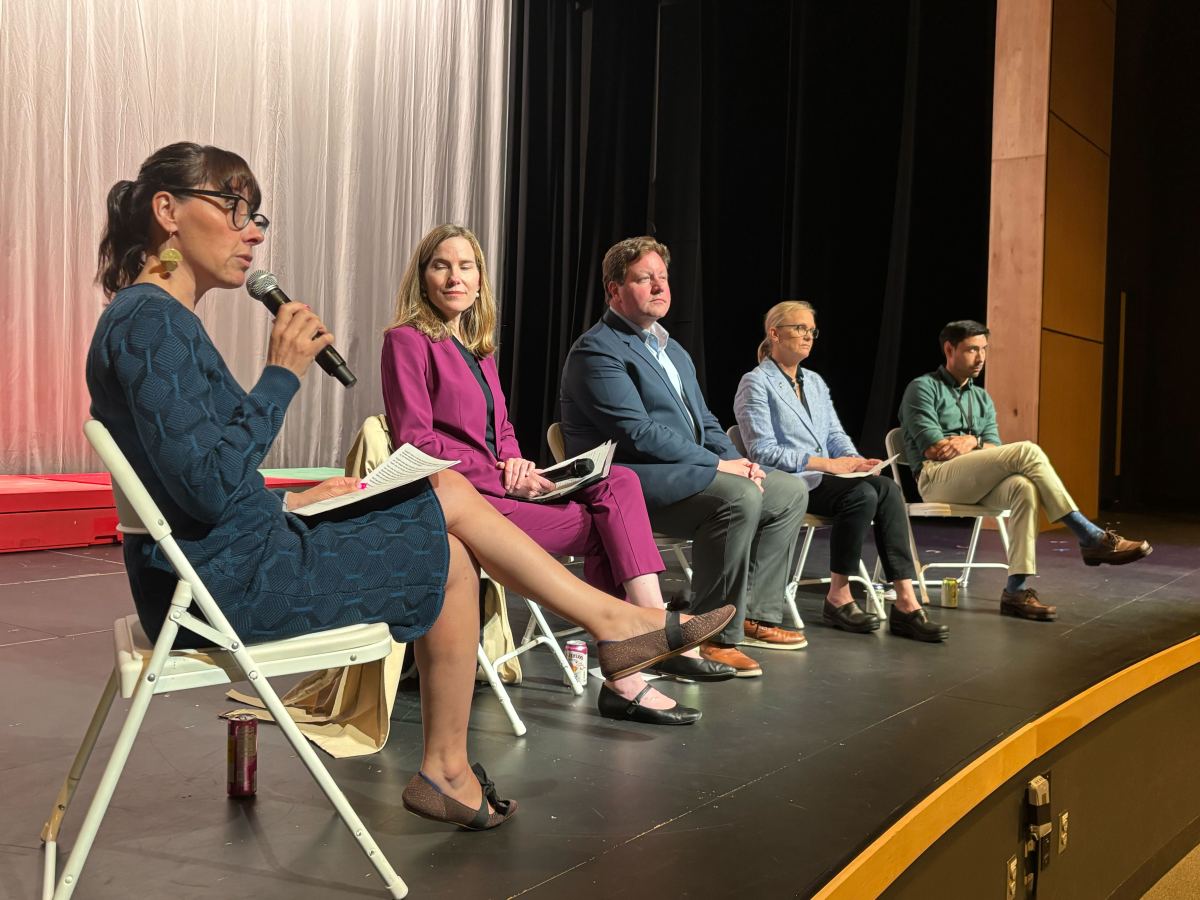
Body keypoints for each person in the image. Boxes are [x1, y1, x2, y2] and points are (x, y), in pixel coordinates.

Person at [86, 143, 734, 834]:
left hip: (222, 560)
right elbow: (209, 490)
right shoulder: (150, 322)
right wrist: (281, 375)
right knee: (448, 500)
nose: (254, 231)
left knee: (449, 544)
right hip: (221, 587)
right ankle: (610, 630)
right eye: (236, 208)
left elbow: (195, 481)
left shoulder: (156, 320)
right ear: (167, 212)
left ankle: (453, 765)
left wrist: (292, 500)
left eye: (258, 216)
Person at [381, 225, 736, 727]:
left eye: (466, 267)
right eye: (441, 265)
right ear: (423, 277)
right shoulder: (407, 340)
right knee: (607, 532)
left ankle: (647, 629)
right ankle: (637, 661)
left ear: (480, 281)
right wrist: (502, 475)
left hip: (500, 487)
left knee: (620, 483)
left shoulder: (479, 351)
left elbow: (500, 429)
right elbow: (416, 441)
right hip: (461, 502)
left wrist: (516, 462)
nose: (454, 277)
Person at [560, 236, 810, 678]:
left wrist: (739, 461)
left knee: (787, 490)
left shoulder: (672, 349)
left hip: (683, 473)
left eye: (663, 277)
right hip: (629, 480)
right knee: (736, 497)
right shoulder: (597, 349)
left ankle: (752, 613)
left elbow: (706, 422)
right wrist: (718, 466)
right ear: (614, 290)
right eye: (644, 279)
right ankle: (709, 637)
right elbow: (637, 433)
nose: (659, 287)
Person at [898, 319, 1152, 621]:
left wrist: (971, 442)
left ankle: (1016, 591)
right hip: (936, 478)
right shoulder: (923, 388)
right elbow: (935, 449)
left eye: (984, 350)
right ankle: (1089, 536)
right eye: (971, 350)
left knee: (1024, 487)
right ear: (949, 349)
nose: (980, 358)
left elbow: (993, 447)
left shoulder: (981, 398)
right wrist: (975, 446)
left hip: (974, 479)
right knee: (1027, 451)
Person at [733, 302, 947, 642]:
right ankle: (839, 595)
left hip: (829, 480)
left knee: (885, 488)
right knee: (860, 496)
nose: (807, 336)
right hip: (791, 484)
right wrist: (829, 464)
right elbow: (763, 451)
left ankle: (906, 601)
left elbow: (834, 434)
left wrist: (854, 459)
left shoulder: (814, 382)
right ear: (774, 333)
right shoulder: (755, 383)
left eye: (811, 330)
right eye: (799, 328)